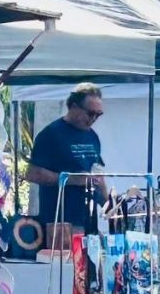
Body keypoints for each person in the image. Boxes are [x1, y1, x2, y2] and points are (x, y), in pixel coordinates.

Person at [25, 82, 107, 231]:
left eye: (98, 114)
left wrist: (109, 204)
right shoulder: (51, 134)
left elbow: (98, 175)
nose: (94, 118)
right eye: (90, 113)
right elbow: (32, 174)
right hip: (60, 223)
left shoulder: (93, 137)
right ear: (74, 107)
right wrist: (72, 179)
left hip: (88, 222)